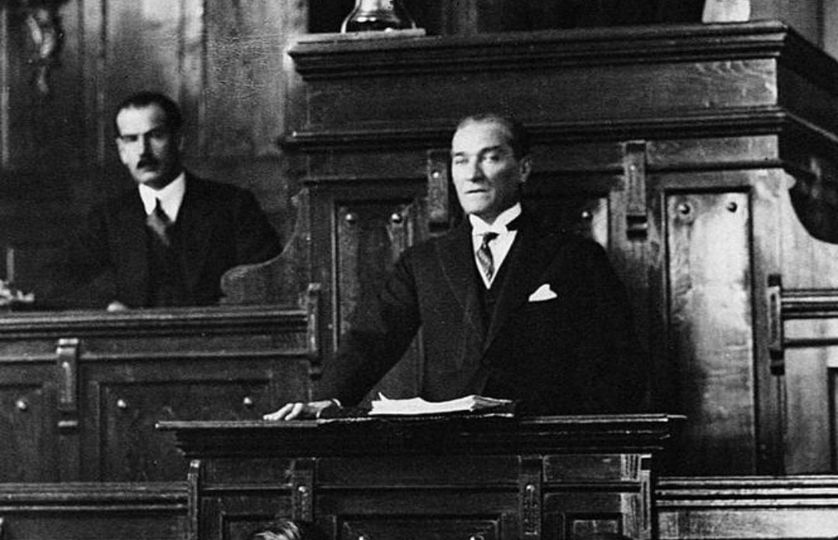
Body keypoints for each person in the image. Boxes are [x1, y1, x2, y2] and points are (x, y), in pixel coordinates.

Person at [265, 113, 645, 420]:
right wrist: (329, 399)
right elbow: (373, 338)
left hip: (542, 447)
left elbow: (615, 364)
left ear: (523, 168)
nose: (472, 174)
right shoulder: (423, 262)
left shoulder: (576, 257)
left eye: (490, 157)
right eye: (461, 160)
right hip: (450, 453)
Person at [41, 91, 283, 309]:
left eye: (155, 136)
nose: (143, 150)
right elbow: (53, 281)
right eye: (131, 139)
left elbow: (270, 279)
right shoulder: (108, 217)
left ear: (179, 140)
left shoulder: (232, 205)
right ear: (122, 151)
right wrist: (108, 306)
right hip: (135, 341)